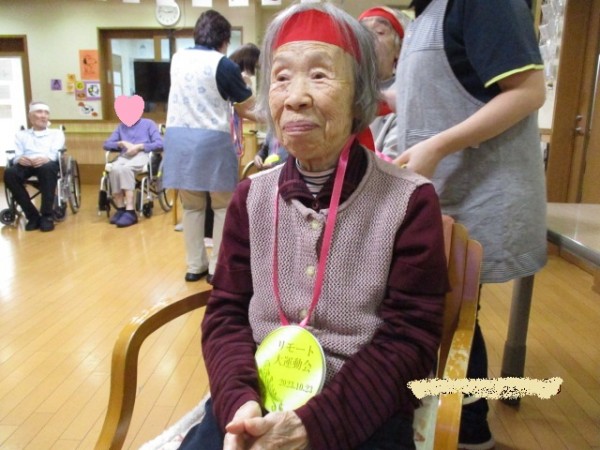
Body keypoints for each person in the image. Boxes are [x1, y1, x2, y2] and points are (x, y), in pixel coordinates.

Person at [179, 4, 449, 450]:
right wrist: (241, 405)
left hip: (364, 405)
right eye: (282, 77)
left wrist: (310, 427)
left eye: (320, 75)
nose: (296, 97)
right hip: (257, 395)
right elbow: (225, 313)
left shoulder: (410, 201)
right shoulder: (250, 198)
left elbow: (412, 339)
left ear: (359, 94)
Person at [393, 1, 547, 448]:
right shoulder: (425, 13)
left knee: (456, 312)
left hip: (480, 189)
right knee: (450, 310)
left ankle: (469, 428)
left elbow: (528, 91)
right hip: (445, 189)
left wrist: (438, 146)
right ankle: (461, 423)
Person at [162, 9, 258, 283]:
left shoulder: (177, 58)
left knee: (191, 206)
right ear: (224, 39)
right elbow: (247, 107)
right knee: (221, 205)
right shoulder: (223, 64)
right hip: (211, 140)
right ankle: (217, 267)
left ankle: (195, 266)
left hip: (178, 140)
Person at [4, 101, 65, 232]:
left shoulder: (56, 133)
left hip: (47, 163)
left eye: (46, 113)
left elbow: (55, 153)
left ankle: (47, 216)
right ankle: (32, 215)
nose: (43, 116)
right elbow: (17, 154)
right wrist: (19, 158)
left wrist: (47, 158)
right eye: (39, 112)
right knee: (9, 173)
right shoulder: (21, 135)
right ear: (30, 116)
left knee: (47, 169)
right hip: (26, 163)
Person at [358, 6, 404, 159]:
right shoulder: (344, 90)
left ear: (398, 50)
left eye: (380, 32)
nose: (370, 38)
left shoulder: (403, 95)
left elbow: (393, 162)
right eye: (364, 33)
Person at [102, 117, 163, 227]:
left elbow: (160, 144)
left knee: (126, 169)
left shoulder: (149, 124)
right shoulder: (121, 126)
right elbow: (106, 144)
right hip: (125, 156)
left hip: (143, 155)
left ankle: (130, 210)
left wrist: (140, 146)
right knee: (114, 169)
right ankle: (120, 208)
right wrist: (121, 143)